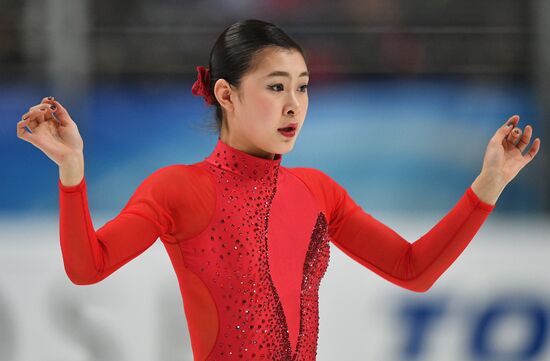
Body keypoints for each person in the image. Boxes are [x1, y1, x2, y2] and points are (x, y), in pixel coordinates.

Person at [16, 19, 541, 361]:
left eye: (303, 86)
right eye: (275, 86)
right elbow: (89, 268)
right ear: (226, 93)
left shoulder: (317, 191)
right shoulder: (178, 188)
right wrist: (73, 171)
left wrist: (489, 183)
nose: (294, 104)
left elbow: (413, 269)